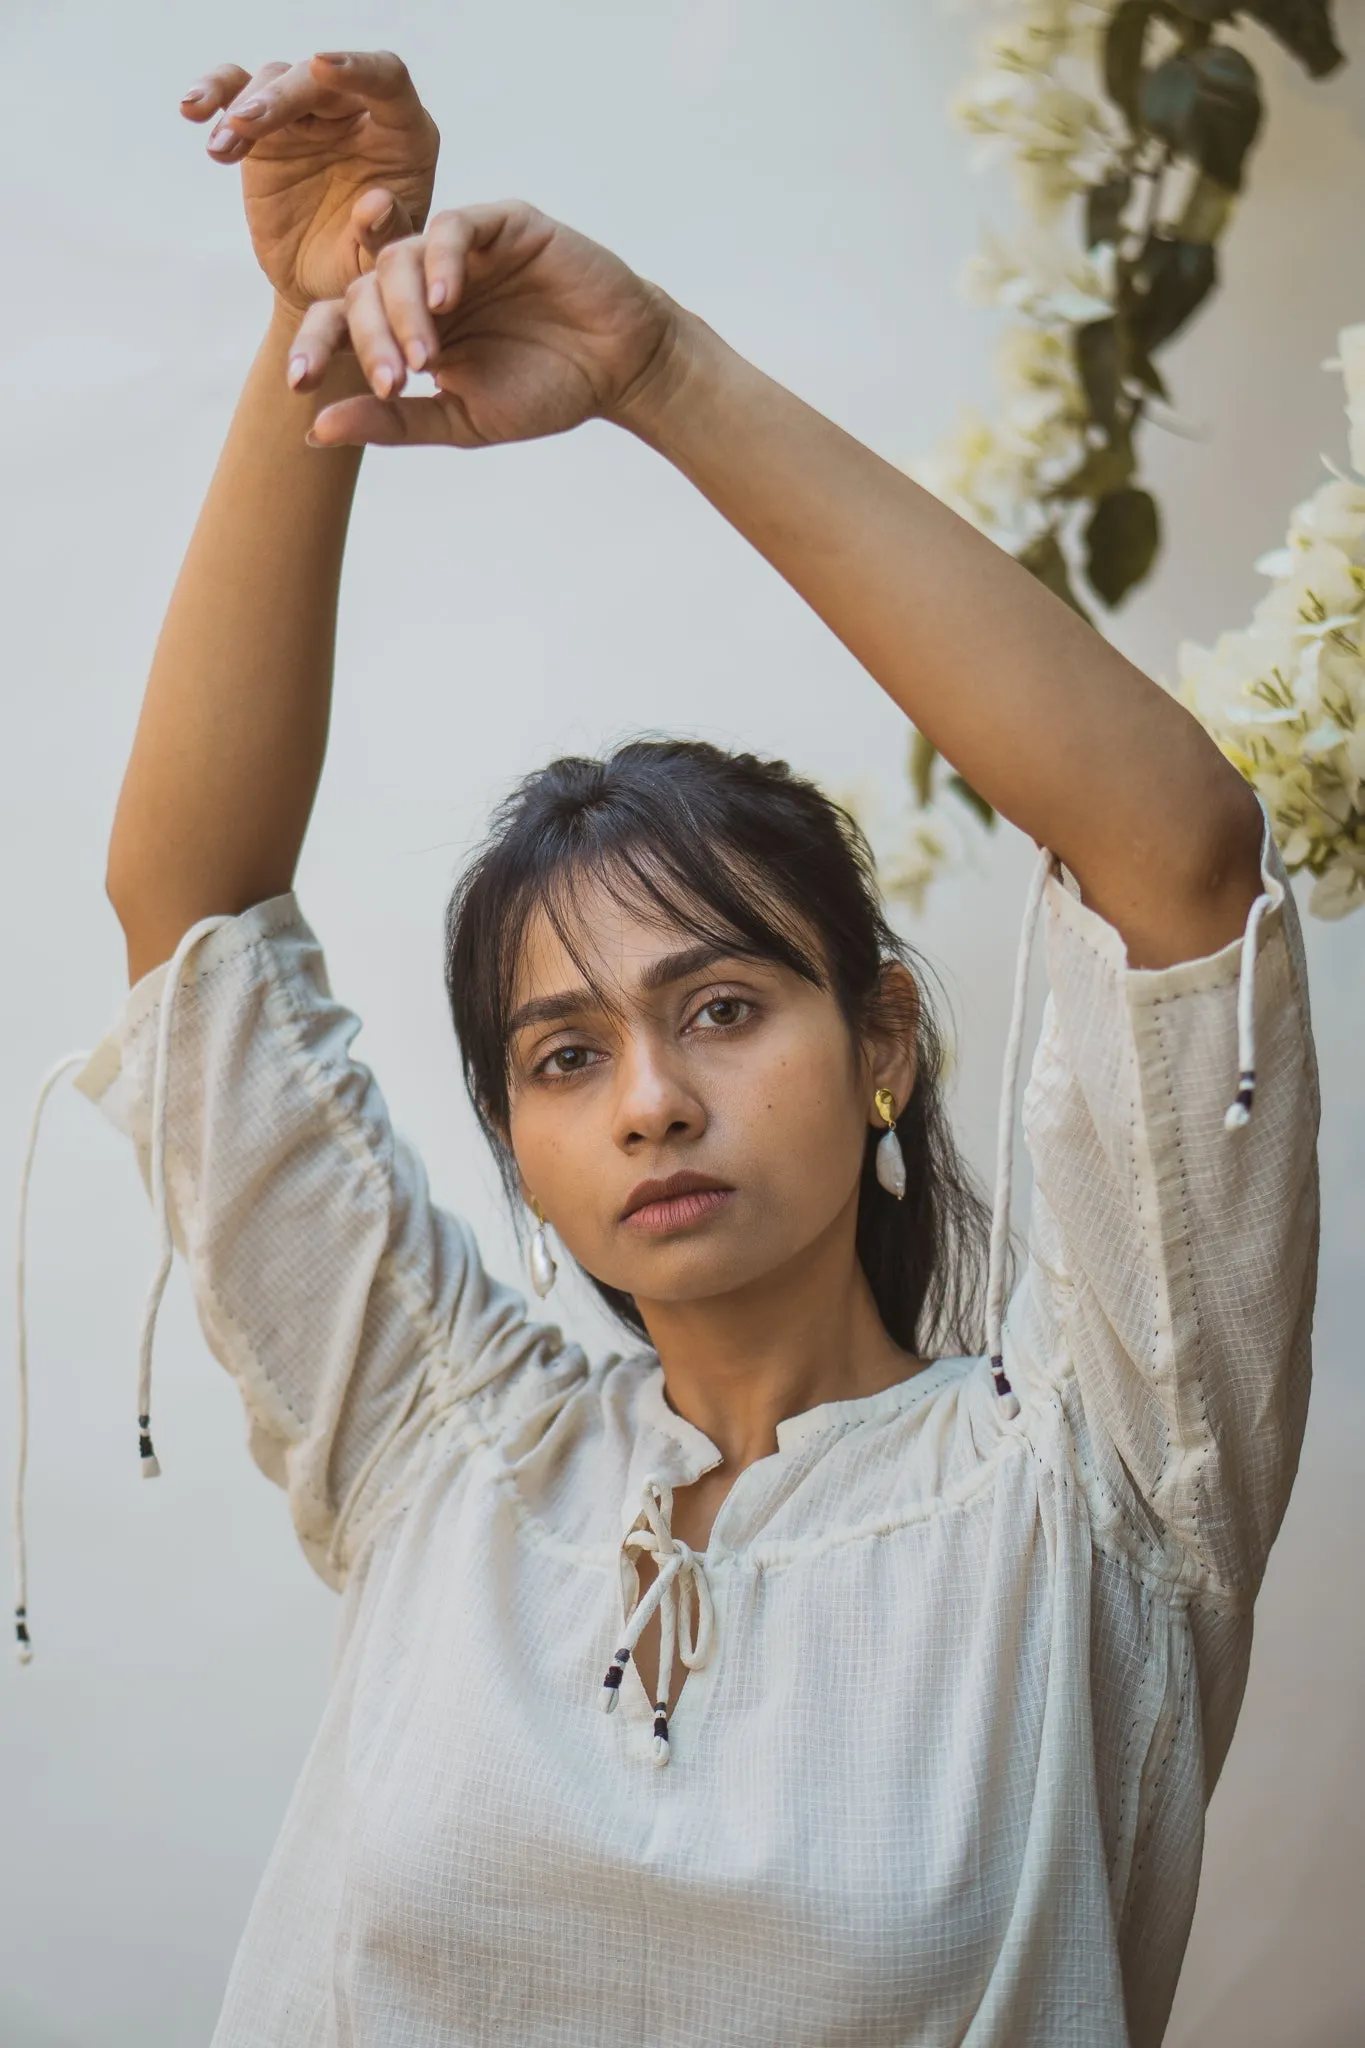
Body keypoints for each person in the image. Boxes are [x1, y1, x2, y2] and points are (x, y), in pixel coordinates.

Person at [52, 45, 1318, 2048]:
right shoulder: (441, 1457)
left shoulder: (1090, 1498)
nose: (647, 1094)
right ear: (519, 1139)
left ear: (879, 1043)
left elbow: (1176, 858)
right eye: (559, 1058)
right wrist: (322, 322)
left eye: (721, 1008)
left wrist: (657, 370)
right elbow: (191, 918)